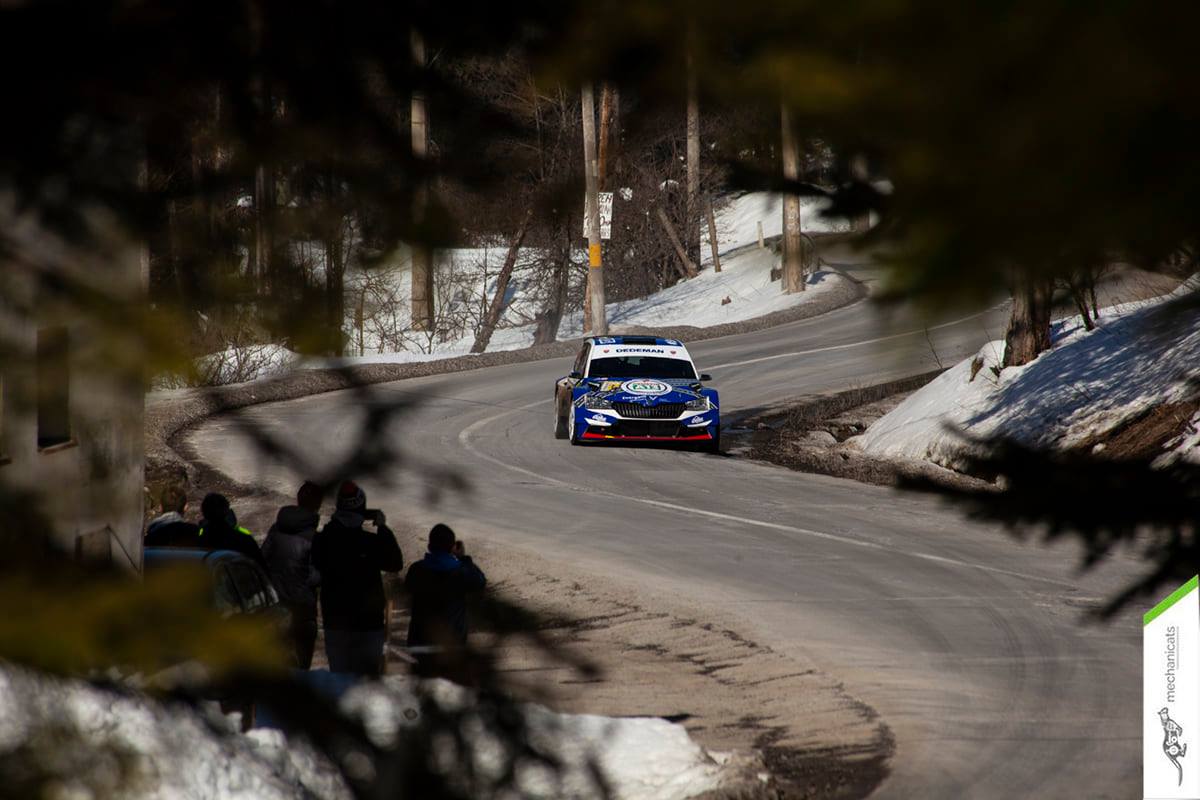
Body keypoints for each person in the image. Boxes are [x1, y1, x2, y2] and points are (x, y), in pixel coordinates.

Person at [311, 481, 404, 677]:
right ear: (362, 509)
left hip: (336, 622)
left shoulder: (324, 540)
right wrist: (383, 528)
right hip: (368, 625)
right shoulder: (370, 543)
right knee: (367, 682)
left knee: (339, 678)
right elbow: (395, 562)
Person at [262, 481, 323, 669]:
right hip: (303, 609)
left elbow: (262, 558)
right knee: (302, 665)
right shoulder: (314, 537)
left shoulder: (277, 528)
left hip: (277, 604)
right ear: (318, 505)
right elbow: (318, 575)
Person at [404, 524, 487, 659]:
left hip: (421, 644)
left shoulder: (416, 570)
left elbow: (408, 588)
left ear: (429, 546)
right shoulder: (461, 572)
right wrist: (463, 558)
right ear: (452, 547)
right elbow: (480, 581)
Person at [197, 493, 266, 567]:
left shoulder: (195, 541)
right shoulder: (243, 539)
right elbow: (261, 566)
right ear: (227, 511)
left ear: (203, 513)